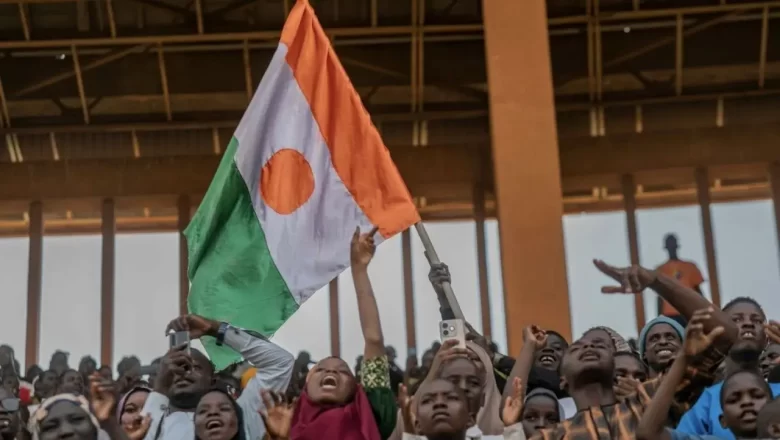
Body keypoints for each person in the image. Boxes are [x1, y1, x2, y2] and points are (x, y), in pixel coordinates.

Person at [262, 227, 398, 440]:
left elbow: (374, 339)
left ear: (356, 387)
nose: (331, 373)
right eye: (321, 369)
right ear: (306, 386)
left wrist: (359, 270)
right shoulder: (284, 424)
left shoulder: (371, 413)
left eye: (342, 371)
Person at [141, 312, 294, 440]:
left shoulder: (241, 415)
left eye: (194, 367)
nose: (184, 373)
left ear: (213, 380)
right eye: (175, 368)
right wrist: (160, 386)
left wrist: (216, 329)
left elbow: (280, 363)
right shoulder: (158, 427)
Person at [638, 312, 768, 440]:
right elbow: (649, 434)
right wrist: (683, 358)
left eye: (670, 337)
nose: (747, 403)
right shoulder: (634, 394)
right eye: (654, 338)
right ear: (723, 420)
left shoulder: (700, 384)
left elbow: (724, 337)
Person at [676, 298, 780, 439]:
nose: (748, 323)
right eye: (736, 320)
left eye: (757, 320)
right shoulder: (706, 400)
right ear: (719, 334)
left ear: (767, 338)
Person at [655, 234, 705, 324]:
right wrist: (659, 319)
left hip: (690, 311)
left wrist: (705, 310)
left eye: (673, 245)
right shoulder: (660, 270)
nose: (671, 248)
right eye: (669, 245)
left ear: (677, 246)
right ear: (666, 247)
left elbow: (698, 292)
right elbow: (659, 297)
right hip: (669, 314)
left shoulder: (690, 266)